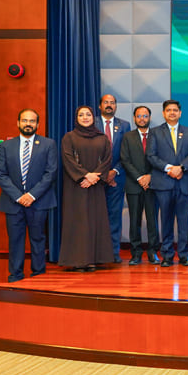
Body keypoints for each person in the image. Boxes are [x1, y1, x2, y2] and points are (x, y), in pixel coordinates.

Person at [0, 109, 58, 283]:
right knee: (15, 241)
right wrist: (19, 196)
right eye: (24, 120)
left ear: (37, 124)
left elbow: (50, 173)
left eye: (32, 121)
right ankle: (15, 276)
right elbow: (0, 174)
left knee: (38, 240)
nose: (28, 124)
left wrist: (31, 195)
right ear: (18, 123)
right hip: (13, 203)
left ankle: (38, 276)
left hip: (39, 201)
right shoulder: (6, 146)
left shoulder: (48, 144)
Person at [59, 106, 114, 271]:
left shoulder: (102, 138)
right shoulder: (69, 137)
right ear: (76, 118)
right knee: (78, 222)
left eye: (88, 114)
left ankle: (93, 260)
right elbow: (68, 159)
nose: (85, 117)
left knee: (95, 221)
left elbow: (107, 160)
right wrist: (85, 175)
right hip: (76, 186)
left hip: (95, 187)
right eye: (81, 115)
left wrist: (94, 177)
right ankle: (77, 260)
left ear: (93, 117)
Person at [147, 99, 188, 267]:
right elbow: (151, 155)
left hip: (184, 182)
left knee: (183, 222)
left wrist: (181, 168)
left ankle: (184, 255)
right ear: (164, 113)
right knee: (166, 221)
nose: (172, 113)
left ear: (180, 113)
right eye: (168, 110)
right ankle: (167, 255)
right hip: (163, 182)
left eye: (175, 110)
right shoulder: (155, 132)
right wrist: (169, 168)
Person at [120, 106, 161, 265]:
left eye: (145, 116)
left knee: (152, 220)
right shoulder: (127, 137)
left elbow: (160, 158)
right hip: (133, 185)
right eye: (139, 116)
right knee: (134, 221)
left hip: (153, 184)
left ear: (149, 117)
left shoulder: (157, 135)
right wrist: (139, 178)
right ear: (134, 118)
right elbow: (125, 160)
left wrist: (149, 176)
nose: (142, 119)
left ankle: (153, 252)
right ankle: (136, 253)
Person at [96, 94, 130, 263]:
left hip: (117, 178)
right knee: (95, 216)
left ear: (116, 106)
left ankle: (113, 253)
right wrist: (103, 174)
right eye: (106, 102)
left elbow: (126, 152)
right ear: (100, 106)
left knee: (114, 216)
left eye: (112, 103)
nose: (109, 105)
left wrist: (114, 172)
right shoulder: (92, 123)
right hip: (95, 179)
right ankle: (96, 253)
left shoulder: (124, 125)